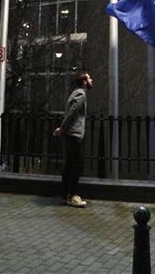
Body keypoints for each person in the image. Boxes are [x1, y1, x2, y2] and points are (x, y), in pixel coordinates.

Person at [53, 71, 92, 208]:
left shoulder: (74, 93)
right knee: (78, 165)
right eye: (89, 78)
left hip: (70, 134)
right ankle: (73, 196)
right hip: (74, 134)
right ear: (84, 82)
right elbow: (73, 112)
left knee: (69, 165)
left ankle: (64, 195)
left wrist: (63, 129)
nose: (91, 80)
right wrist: (62, 128)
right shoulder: (81, 94)